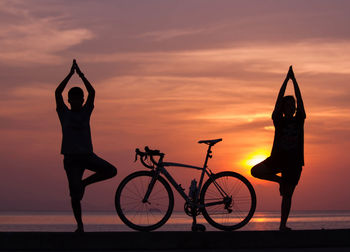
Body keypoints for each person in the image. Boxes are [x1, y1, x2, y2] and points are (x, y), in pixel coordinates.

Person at [55, 60, 117, 232]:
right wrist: (69, 75)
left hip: (87, 156)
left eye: (79, 99)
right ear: (69, 100)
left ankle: (84, 183)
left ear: (82, 100)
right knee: (75, 195)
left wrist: (81, 75)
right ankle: (80, 225)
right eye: (73, 99)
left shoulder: (86, 111)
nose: (76, 102)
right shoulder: (64, 113)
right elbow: (57, 92)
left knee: (111, 171)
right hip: (71, 159)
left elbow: (92, 92)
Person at [251, 66, 306, 231]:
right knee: (255, 171)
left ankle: (282, 225)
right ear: (283, 109)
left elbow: (300, 99)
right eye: (287, 105)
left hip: (294, 162)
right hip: (278, 158)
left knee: (288, 195)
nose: (290, 107)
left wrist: (294, 81)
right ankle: (280, 181)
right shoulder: (278, 120)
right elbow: (278, 100)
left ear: (295, 108)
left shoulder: (299, 119)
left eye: (292, 105)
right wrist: (286, 80)